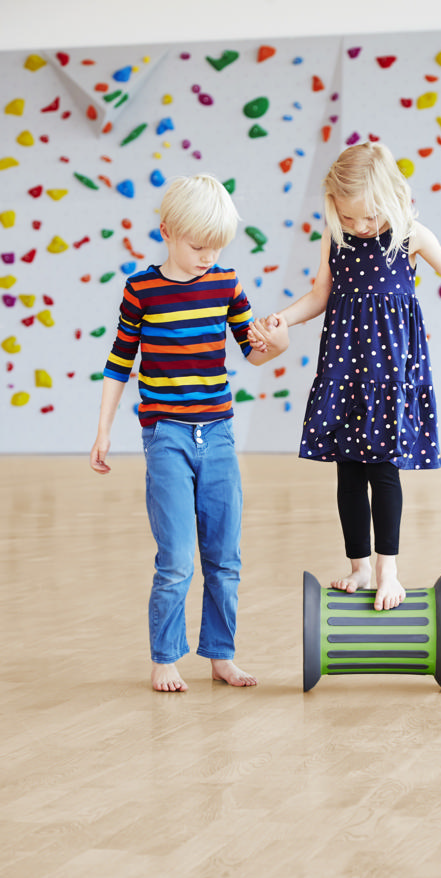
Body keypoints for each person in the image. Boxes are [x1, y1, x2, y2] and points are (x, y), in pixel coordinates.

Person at [249, 141, 441, 611]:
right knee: (348, 471)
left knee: (382, 469)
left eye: (367, 217)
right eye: (348, 217)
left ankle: (388, 568)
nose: (359, 227)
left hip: (389, 372)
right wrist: (283, 320)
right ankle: (359, 566)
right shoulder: (337, 236)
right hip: (345, 366)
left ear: (393, 199)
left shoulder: (410, 236)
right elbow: (319, 296)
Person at [90, 174, 289, 692]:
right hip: (167, 437)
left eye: (217, 246)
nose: (208, 256)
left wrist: (278, 344)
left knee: (225, 556)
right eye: (199, 245)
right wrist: (103, 431)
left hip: (218, 435)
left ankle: (221, 654)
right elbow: (118, 363)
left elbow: (254, 350)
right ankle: (165, 657)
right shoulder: (141, 290)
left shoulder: (226, 284)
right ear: (168, 233)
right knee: (176, 557)